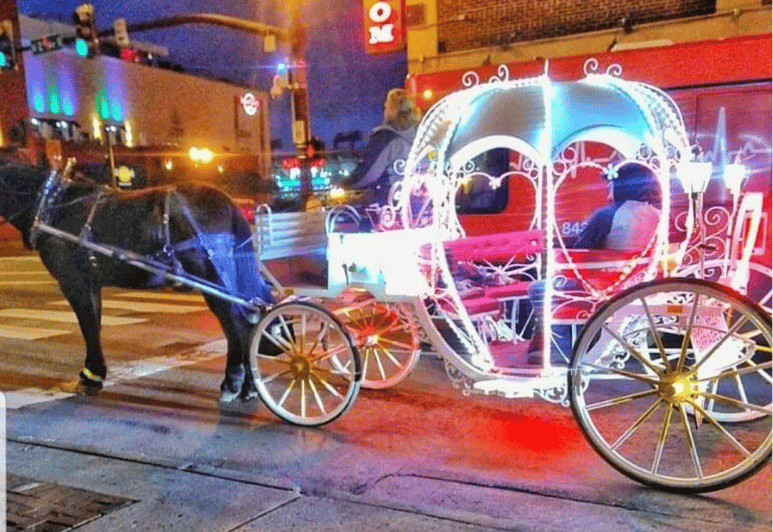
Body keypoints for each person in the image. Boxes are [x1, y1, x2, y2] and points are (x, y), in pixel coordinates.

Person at [526, 161, 662, 358]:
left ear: (620, 185)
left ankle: (556, 346)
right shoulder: (657, 215)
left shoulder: (606, 215)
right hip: (638, 286)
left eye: (611, 183)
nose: (608, 187)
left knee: (538, 288)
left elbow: (577, 258)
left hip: (602, 287)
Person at [341, 88, 421, 207]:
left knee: (344, 211)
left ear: (393, 110)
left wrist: (345, 183)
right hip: (421, 199)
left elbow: (369, 173)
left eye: (386, 107)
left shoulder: (384, 137)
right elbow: (434, 155)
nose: (384, 111)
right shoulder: (424, 133)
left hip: (390, 200)